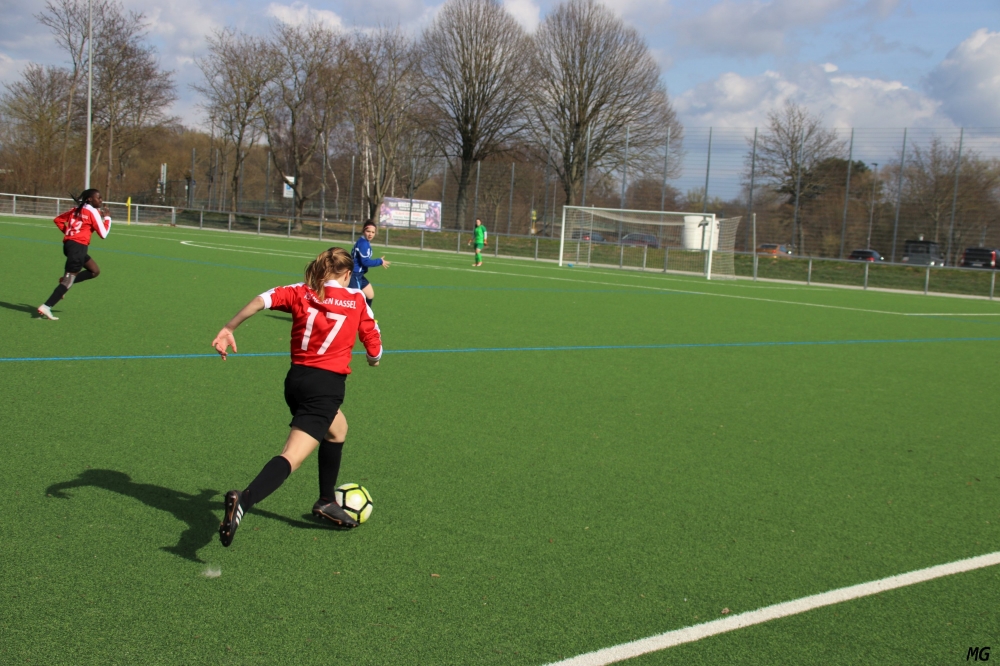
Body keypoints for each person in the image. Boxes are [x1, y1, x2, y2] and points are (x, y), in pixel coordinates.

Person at [212, 247, 383, 546]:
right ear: (347, 274)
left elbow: (261, 300)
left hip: (296, 382)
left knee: (338, 429)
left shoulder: (302, 291)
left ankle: (326, 500)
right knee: (291, 456)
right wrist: (373, 359)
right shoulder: (357, 300)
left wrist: (229, 327)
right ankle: (244, 501)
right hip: (325, 389)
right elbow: (375, 351)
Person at [37, 188, 112, 320]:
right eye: (98, 198)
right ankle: (46, 306)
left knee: (94, 271)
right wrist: (107, 218)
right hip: (78, 248)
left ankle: (65, 282)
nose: (101, 200)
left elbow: (58, 220)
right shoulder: (93, 212)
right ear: (90, 199)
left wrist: (70, 234)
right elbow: (103, 234)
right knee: (68, 281)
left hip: (69, 246)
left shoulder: (76, 209)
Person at [350, 220, 390, 307]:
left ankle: (365, 314)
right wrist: (380, 261)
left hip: (359, 274)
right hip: (354, 274)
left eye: (373, 232)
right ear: (363, 231)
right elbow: (365, 262)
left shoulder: (364, 241)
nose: (370, 234)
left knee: (370, 295)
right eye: (368, 231)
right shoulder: (363, 243)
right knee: (354, 301)